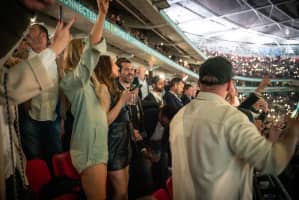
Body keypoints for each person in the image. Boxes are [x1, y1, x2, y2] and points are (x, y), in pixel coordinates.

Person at [170, 56, 299, 200]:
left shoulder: (178, 117)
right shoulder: (231, 118)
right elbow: (273, 162)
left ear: (199, 83)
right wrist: (293, 130)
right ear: (230, 84)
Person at [60, 1, 109, 199]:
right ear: (79, 54)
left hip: (97, 146)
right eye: (85, 49)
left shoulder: (91, 82)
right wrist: (102, 16)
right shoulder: (70, 81)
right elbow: (92, 52)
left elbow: (102, 117)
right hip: (88, 149)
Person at [19, 23, 62, 163]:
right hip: (31, 117)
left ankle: (57, 184)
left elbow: (63, 84)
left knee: (55, 157)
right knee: (34, 157)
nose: (27, 32)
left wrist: (62, 117)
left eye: (31, 29)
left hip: (53, 118)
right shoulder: (22, 56)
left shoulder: (57, 57)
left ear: (43, 35)